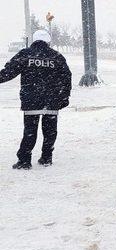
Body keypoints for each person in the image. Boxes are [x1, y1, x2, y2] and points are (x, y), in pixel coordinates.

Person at [0, 30, 72, 169]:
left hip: (31, 100)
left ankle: (25, 160)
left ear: (34, 40)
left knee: (29, 131)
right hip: (52, 101)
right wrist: (64, 97)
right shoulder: (56, 56)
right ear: (48, 41)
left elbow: (9, 72)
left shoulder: (25, 54)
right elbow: (66, 77)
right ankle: (46, 158)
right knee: (50, 131)